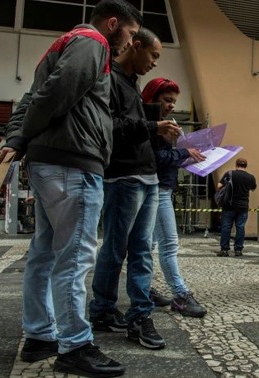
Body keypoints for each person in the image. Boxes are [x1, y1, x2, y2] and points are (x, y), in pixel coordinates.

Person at [0, 1, 141, 376]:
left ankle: (40, 335)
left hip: (52, 162)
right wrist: (24, 136)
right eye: (130, 34)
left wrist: (18, 138)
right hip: (73, 162)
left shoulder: (66, 43)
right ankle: (75, 345)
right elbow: (53, 95)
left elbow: (31, 98)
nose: (130, 43)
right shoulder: (92, 43)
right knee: (74, 257)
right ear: (113, 24)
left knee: (44, 253)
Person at [88, 28, 178, 351]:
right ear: (136, 46)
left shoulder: (131, 83)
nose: (155, 63)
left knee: (141, 250)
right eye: (153, 55)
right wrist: (154, 127)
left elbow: (132, 129)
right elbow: (109, 128)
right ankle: (102, 309)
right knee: (115, 248)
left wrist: (159, 131)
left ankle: (137, 314)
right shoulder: (109, 80)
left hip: (147, 177)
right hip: (123, 177)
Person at [140, 77, 208, 318]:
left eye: (174, 101)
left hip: (160, 188)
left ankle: (143, 289)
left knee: (150, 245)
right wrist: (182, 152)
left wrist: (185, 156)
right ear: (151, 98)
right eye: (166, 100)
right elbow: (154, 158)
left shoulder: (160, 124)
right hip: (157, 189)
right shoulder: (151, 126)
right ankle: (180, 294)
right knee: (168, 243)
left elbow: (163, 157)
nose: (171, 105)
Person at [217, 158, 257, 257]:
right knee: (240, 227)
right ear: (246, 166)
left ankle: (224, 250)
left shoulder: (229, 174)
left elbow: (219, 186)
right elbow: (253, 188)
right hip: (243, 206)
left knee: (226, 228)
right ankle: (238, 250)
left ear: (236, 164)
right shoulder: (251, 177)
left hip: (229, 206)